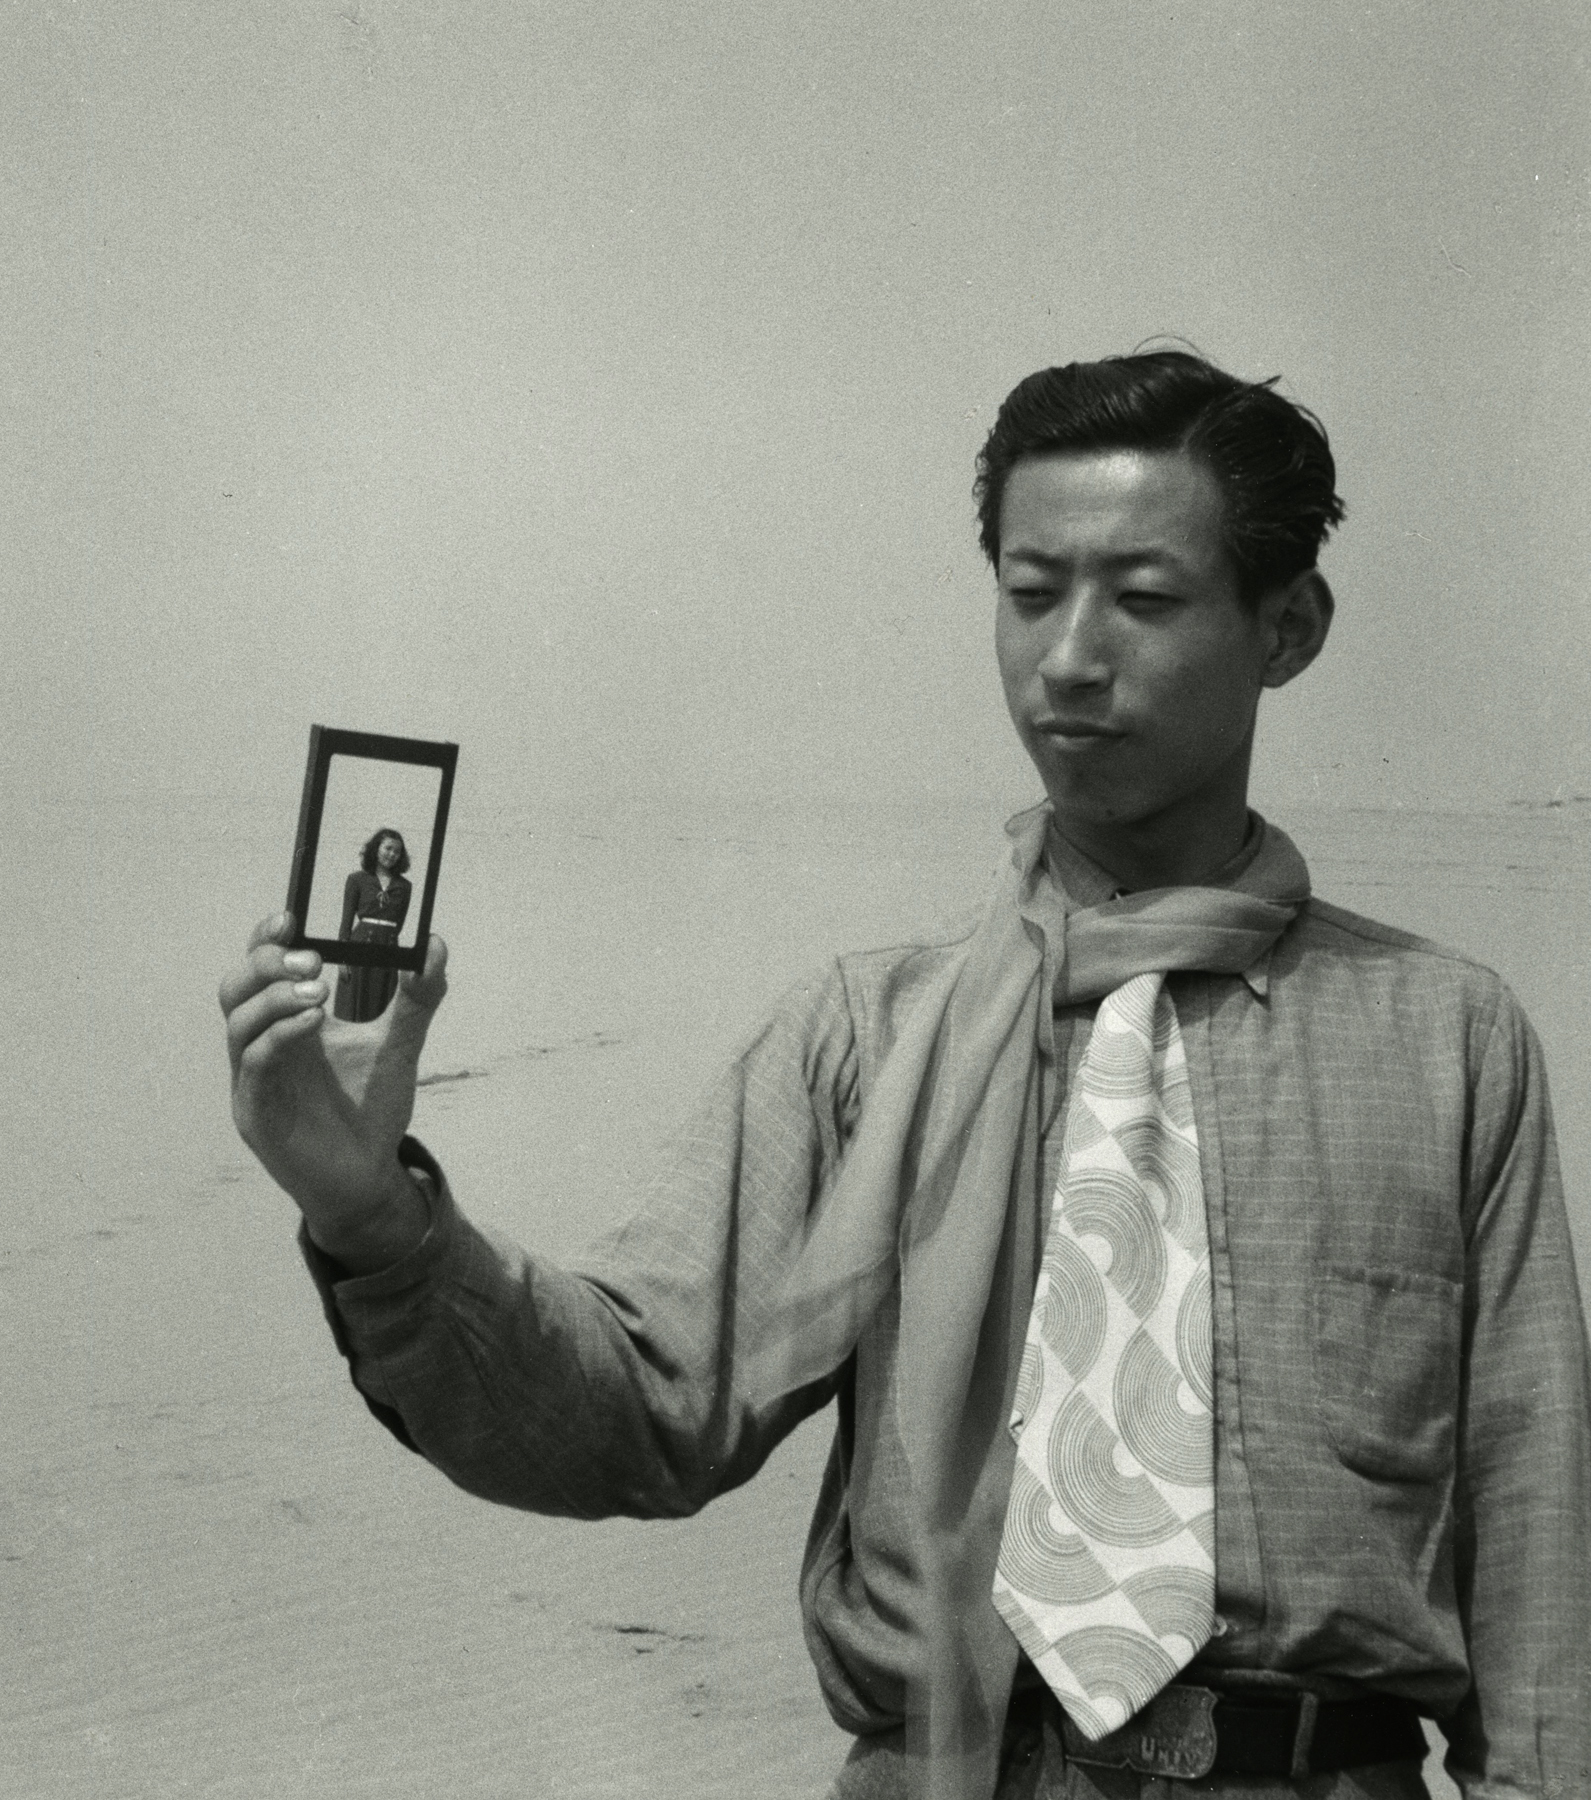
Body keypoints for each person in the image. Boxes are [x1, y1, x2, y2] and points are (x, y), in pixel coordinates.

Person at [220, 351, 1590, 1800]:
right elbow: (633, 1410)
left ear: (1286, 627)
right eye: (1027, 590)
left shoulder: (1442, 1040)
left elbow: (1536, 1558)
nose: (1067, 655)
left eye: (1140, 598)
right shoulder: (862, 1036)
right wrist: (369, 1213)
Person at [330, 828, 412, 1023]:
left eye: (397, 851)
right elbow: (346, 921)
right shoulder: (357, 880)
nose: (392, 854)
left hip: (388, 950)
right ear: (377, 849)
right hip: (359, 947)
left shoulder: (404, 886)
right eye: (388, 848)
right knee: (354, 1009)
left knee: (382, 1010)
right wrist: (342, 957)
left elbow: (398, 924)